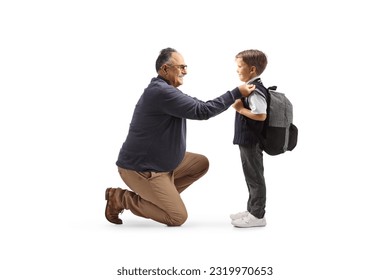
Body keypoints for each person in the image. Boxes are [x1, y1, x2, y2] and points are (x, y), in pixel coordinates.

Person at [105, 47, 255, 226]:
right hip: (141, 169)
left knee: (200, 163)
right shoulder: (161, 93)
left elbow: (199, 104)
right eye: (181, 67)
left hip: (163, 163)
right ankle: (120, 198)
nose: (186, 71)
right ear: (165, 69)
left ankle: (160, 197)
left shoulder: (167, 90)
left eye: (186, 66)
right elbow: (203, 111)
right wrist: (236, 93)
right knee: (176, 217)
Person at [230, 49, 269, 228]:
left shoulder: (255, 90)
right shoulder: (251, 88)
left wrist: (240, 109)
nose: (237, 70)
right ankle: (252, 209)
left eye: (240, 66)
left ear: (252, 69)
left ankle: (258, 216)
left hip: (251, 140)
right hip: (247, 140)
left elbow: (261, 115)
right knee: (250, 176)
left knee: (254, 177)